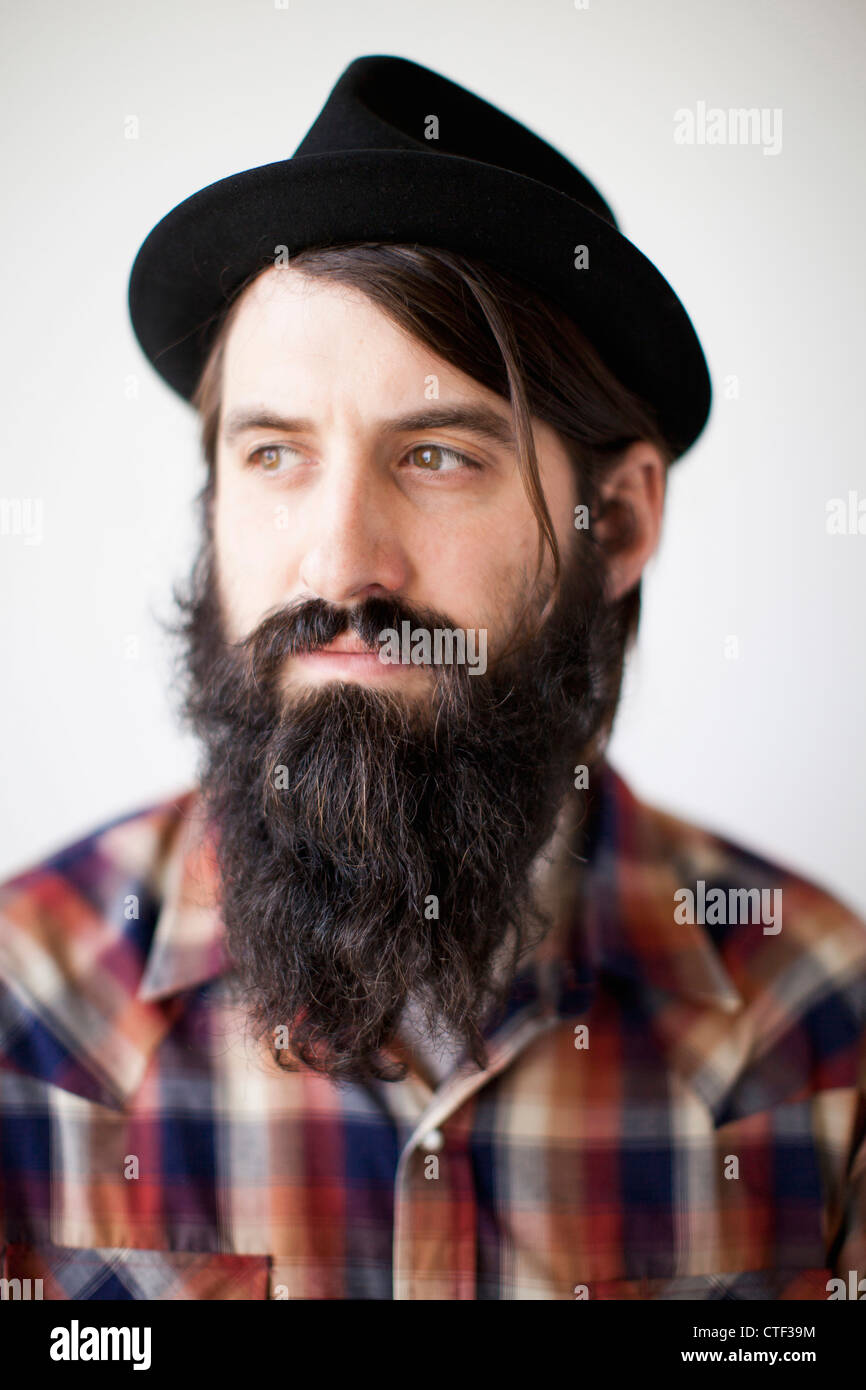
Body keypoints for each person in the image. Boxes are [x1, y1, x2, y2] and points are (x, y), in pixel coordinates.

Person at [1, 53, 864, 1302]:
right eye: (275, 453)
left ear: (612, 524)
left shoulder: (819, 1032)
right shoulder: (28, 1026)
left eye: (441, 454)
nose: (340, 559)